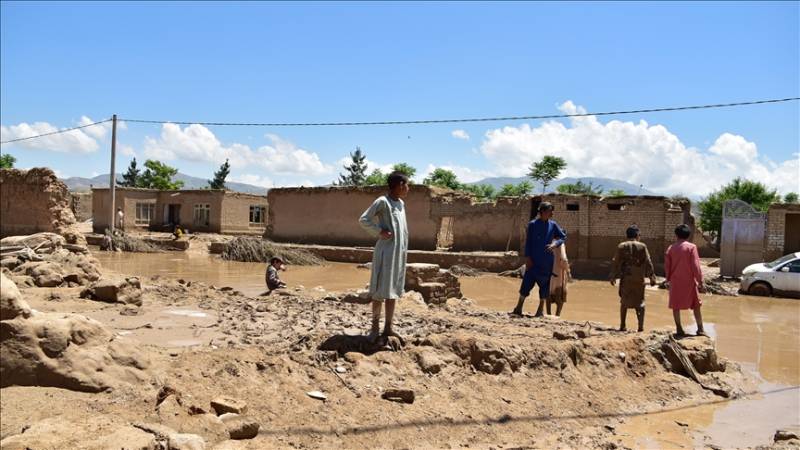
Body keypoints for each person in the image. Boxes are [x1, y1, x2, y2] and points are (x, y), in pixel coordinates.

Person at [359, 171, 410, 342]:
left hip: (399, 254)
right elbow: (364, 219)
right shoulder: (382, 201)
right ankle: (374, 328)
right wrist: (380, 231)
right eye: (406, 185)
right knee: (380, 290)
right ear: (400, 185)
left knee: (393, 290)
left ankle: (388, 328)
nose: (408, 188)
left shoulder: (401, 203)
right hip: (385, 253)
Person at [512, 202, 567, 317]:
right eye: (549, 211)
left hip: (547, 262)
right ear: (542, 212)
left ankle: (540, 310)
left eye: (552, 211)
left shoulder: (553, 225)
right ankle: (519, 307)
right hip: (533, 261)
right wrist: (528, 257)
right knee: (526, 283)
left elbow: (563, 237)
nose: (552, 213)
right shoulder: (532, 224)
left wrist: (555, 244)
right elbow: (528, 242)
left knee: (545, 286)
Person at [610, 225, 656, 332]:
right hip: (639, 279)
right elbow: (648, 262)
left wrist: (612, 276)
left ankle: (622, 326)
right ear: (637, 235)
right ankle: (640, 327)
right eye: (639, 235)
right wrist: (652, 277)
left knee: (624, 302)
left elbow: (615, 262)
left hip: (626, 278)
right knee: (640, 303)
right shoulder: (643, 246)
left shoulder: (621, 246)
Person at [665, 224, 706, 337]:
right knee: (696, 305)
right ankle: (700, 329)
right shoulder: (691, 247)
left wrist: (668, 280)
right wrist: (700, 282)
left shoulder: (671, 248)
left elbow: (667, 267)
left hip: (675, 281)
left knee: (675, 305)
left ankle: (679, 328)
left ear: (676, 235)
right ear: (688, 235)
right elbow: (695, 266)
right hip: (689, 282)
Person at [546, 241, 571, 316]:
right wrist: (568, 271)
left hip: (548, 273)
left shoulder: (548, 241)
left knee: (548, 295)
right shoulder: (561, 244)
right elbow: (564, 259)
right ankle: (557, 315)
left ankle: (548, 314)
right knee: (560, 297)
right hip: (559, 274)